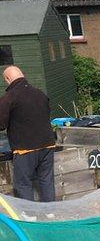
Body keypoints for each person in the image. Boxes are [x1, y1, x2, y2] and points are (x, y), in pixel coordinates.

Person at [0, 66, 57, 202]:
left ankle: (28, 217)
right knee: (46, 181)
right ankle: (50, 213)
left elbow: (1, 124)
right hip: (47, 145)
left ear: (8, 79)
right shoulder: (40, 93)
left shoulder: (9, 98)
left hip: (25, 148)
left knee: (23, 184)